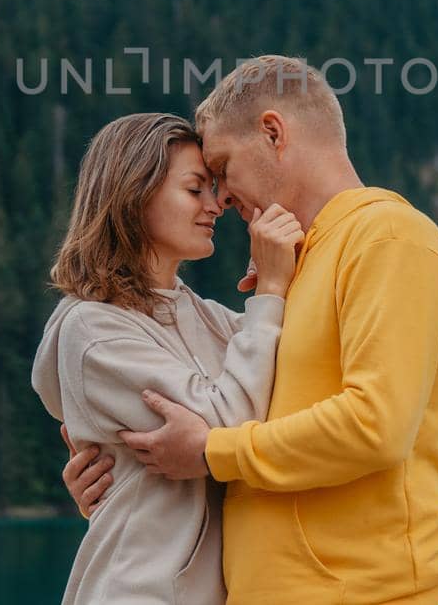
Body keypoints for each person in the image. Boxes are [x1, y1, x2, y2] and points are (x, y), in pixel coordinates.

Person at [64, 55, 438, 605]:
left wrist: (213, 452)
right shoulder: (294, 271)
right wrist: (127, 473)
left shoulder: (388, 238)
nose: (223, 199)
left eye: (223, 169)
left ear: (273, 133)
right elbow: (228, 404)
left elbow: (377, 424)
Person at [32, 111, 303, 605]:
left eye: (215, 189)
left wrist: (289, 279)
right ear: (135, 195)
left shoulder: (200, 315)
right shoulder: (92, 329)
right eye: (194, 189)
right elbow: (225, 424)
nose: (216, 205)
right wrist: (270, 287)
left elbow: (290, 368)